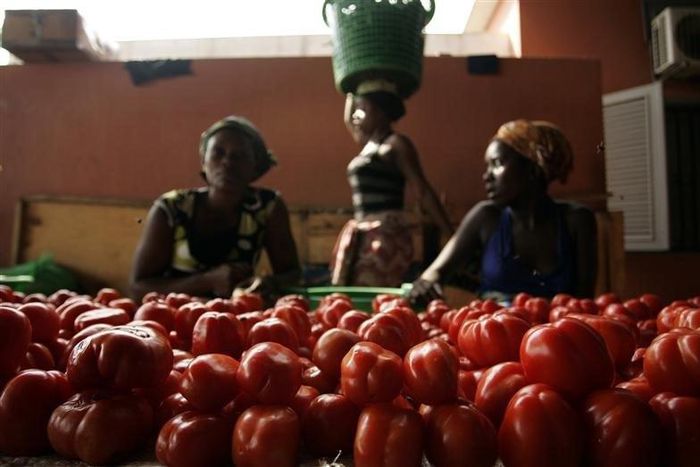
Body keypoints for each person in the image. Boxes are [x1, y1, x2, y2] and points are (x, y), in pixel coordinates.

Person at [410, 119, 597, 304]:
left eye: (497, 163)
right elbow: (434, 273)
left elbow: (582, 305)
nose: (486, 176)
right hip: (490, 332)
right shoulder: (485, 217)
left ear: (532, 168)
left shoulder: (577, 220)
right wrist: (426, 284)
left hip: (555, 333)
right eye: (487, 166)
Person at [130, 116, 300, 302]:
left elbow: (293, 274)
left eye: (239, 156)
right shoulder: (171, 209)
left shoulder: (267, 207)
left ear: (255, 167)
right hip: (173, 318)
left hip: (241, 319)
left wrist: (268, 283)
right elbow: (139, 287)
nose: (227, 162)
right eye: (218, 153)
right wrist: (207, 282)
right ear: (204, 161)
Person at [330, 79, 454, 287]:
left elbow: (422, 190)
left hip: (385, 237)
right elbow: (348, 120)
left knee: (377, 299)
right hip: (361, 235)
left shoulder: (395, 144)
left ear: (380, 112)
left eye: (362, 109)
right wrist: (352, 87)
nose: (356, 115)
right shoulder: (367, 143)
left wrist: (452, 237)